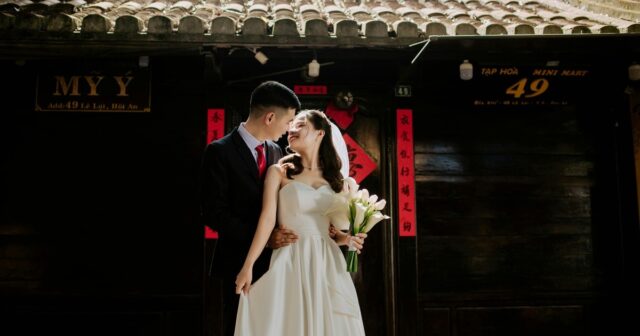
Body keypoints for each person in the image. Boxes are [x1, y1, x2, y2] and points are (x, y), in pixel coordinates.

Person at [200, 82, 365, 336]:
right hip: (243, 256)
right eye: (290, 121)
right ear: (270, 117)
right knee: (247, 324)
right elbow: (214, 213)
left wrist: (343, 235)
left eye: (298, 124)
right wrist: (264, 243)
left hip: (297, 256)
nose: (290, 129)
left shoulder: (278, 153)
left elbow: (319, 216)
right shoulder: (220, 151)